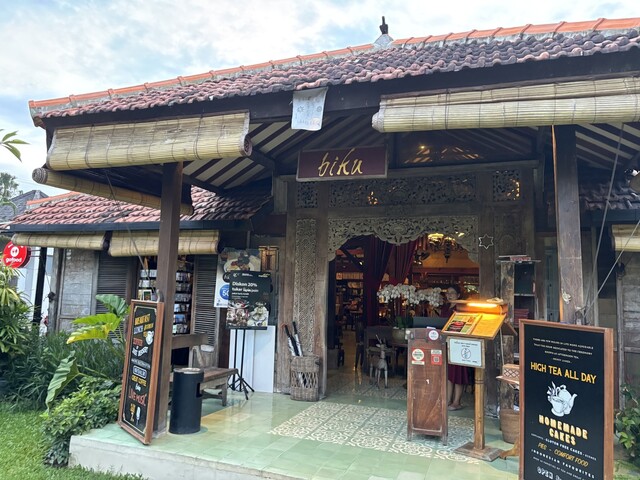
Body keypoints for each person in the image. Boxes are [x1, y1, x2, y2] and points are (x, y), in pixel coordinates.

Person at [440, 285, 472, 411]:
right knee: (449, 373)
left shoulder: (462, 308)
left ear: (458, 295)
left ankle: (457, 401)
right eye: (448, 292)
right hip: (446, 343)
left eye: (452, 293)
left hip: (458, 343)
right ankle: (448, 400)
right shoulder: (445, 308)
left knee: (458, 373)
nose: (449, 295)